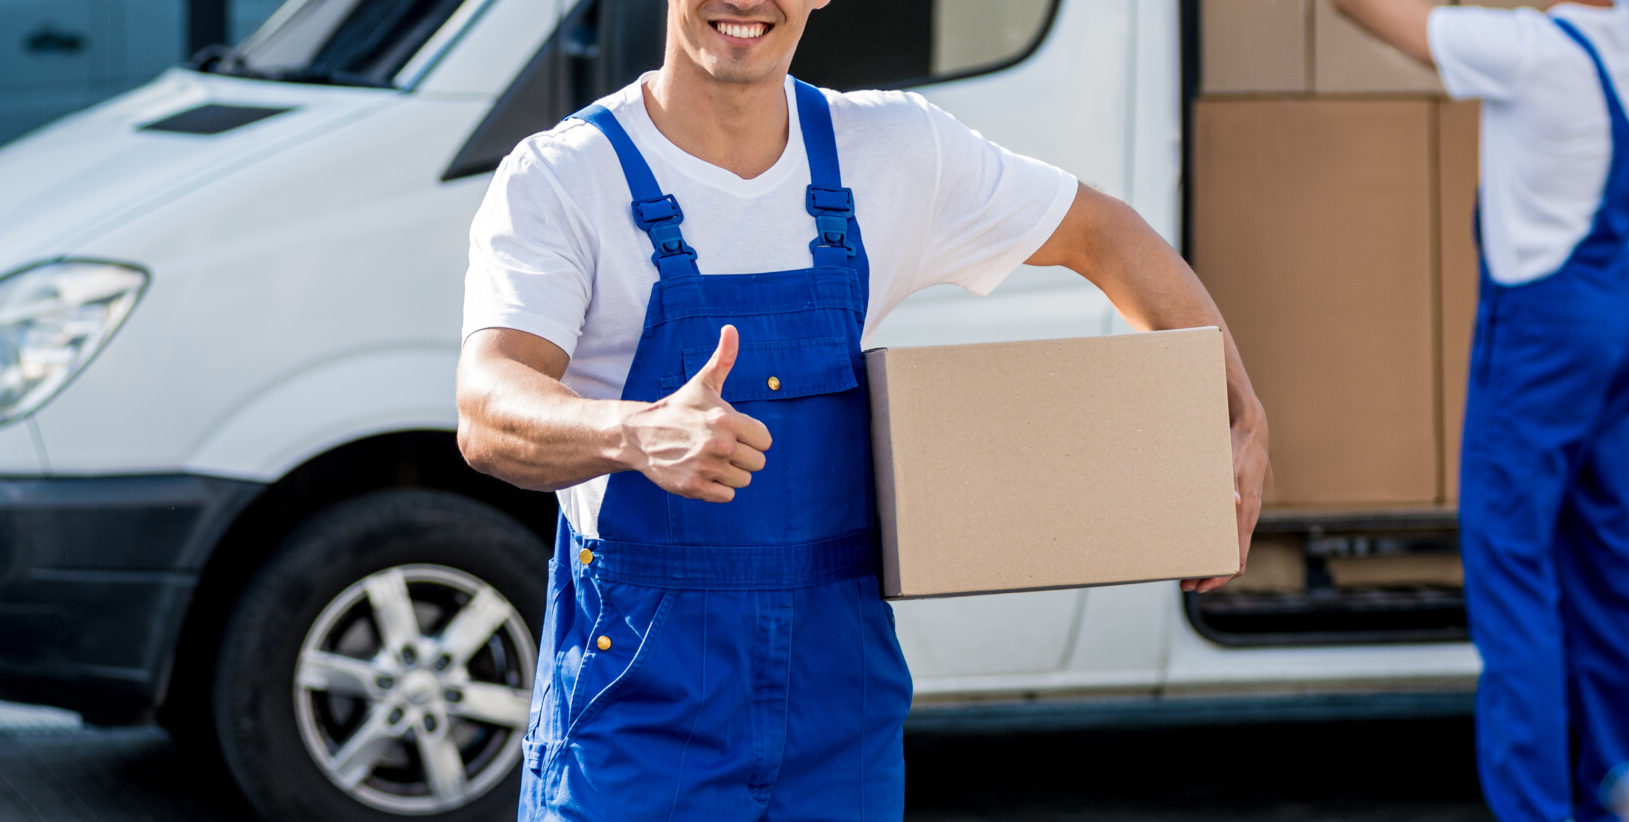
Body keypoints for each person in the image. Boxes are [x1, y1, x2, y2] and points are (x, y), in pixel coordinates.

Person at [455, 1, 1269, 819]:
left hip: (840, 717)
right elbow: (489, 406)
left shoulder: (891, 152)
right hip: (641, 714)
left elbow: (1104, 234)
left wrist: (1235, 419)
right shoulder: (563, 176)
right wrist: (633, 432)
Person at [1328, 0, 1629, 819]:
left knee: (1513, 579)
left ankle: (1533, 810)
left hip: (1538, 337)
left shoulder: (1531, 52)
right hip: (1615, 314)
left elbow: (1368, 10)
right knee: (1611, 575)